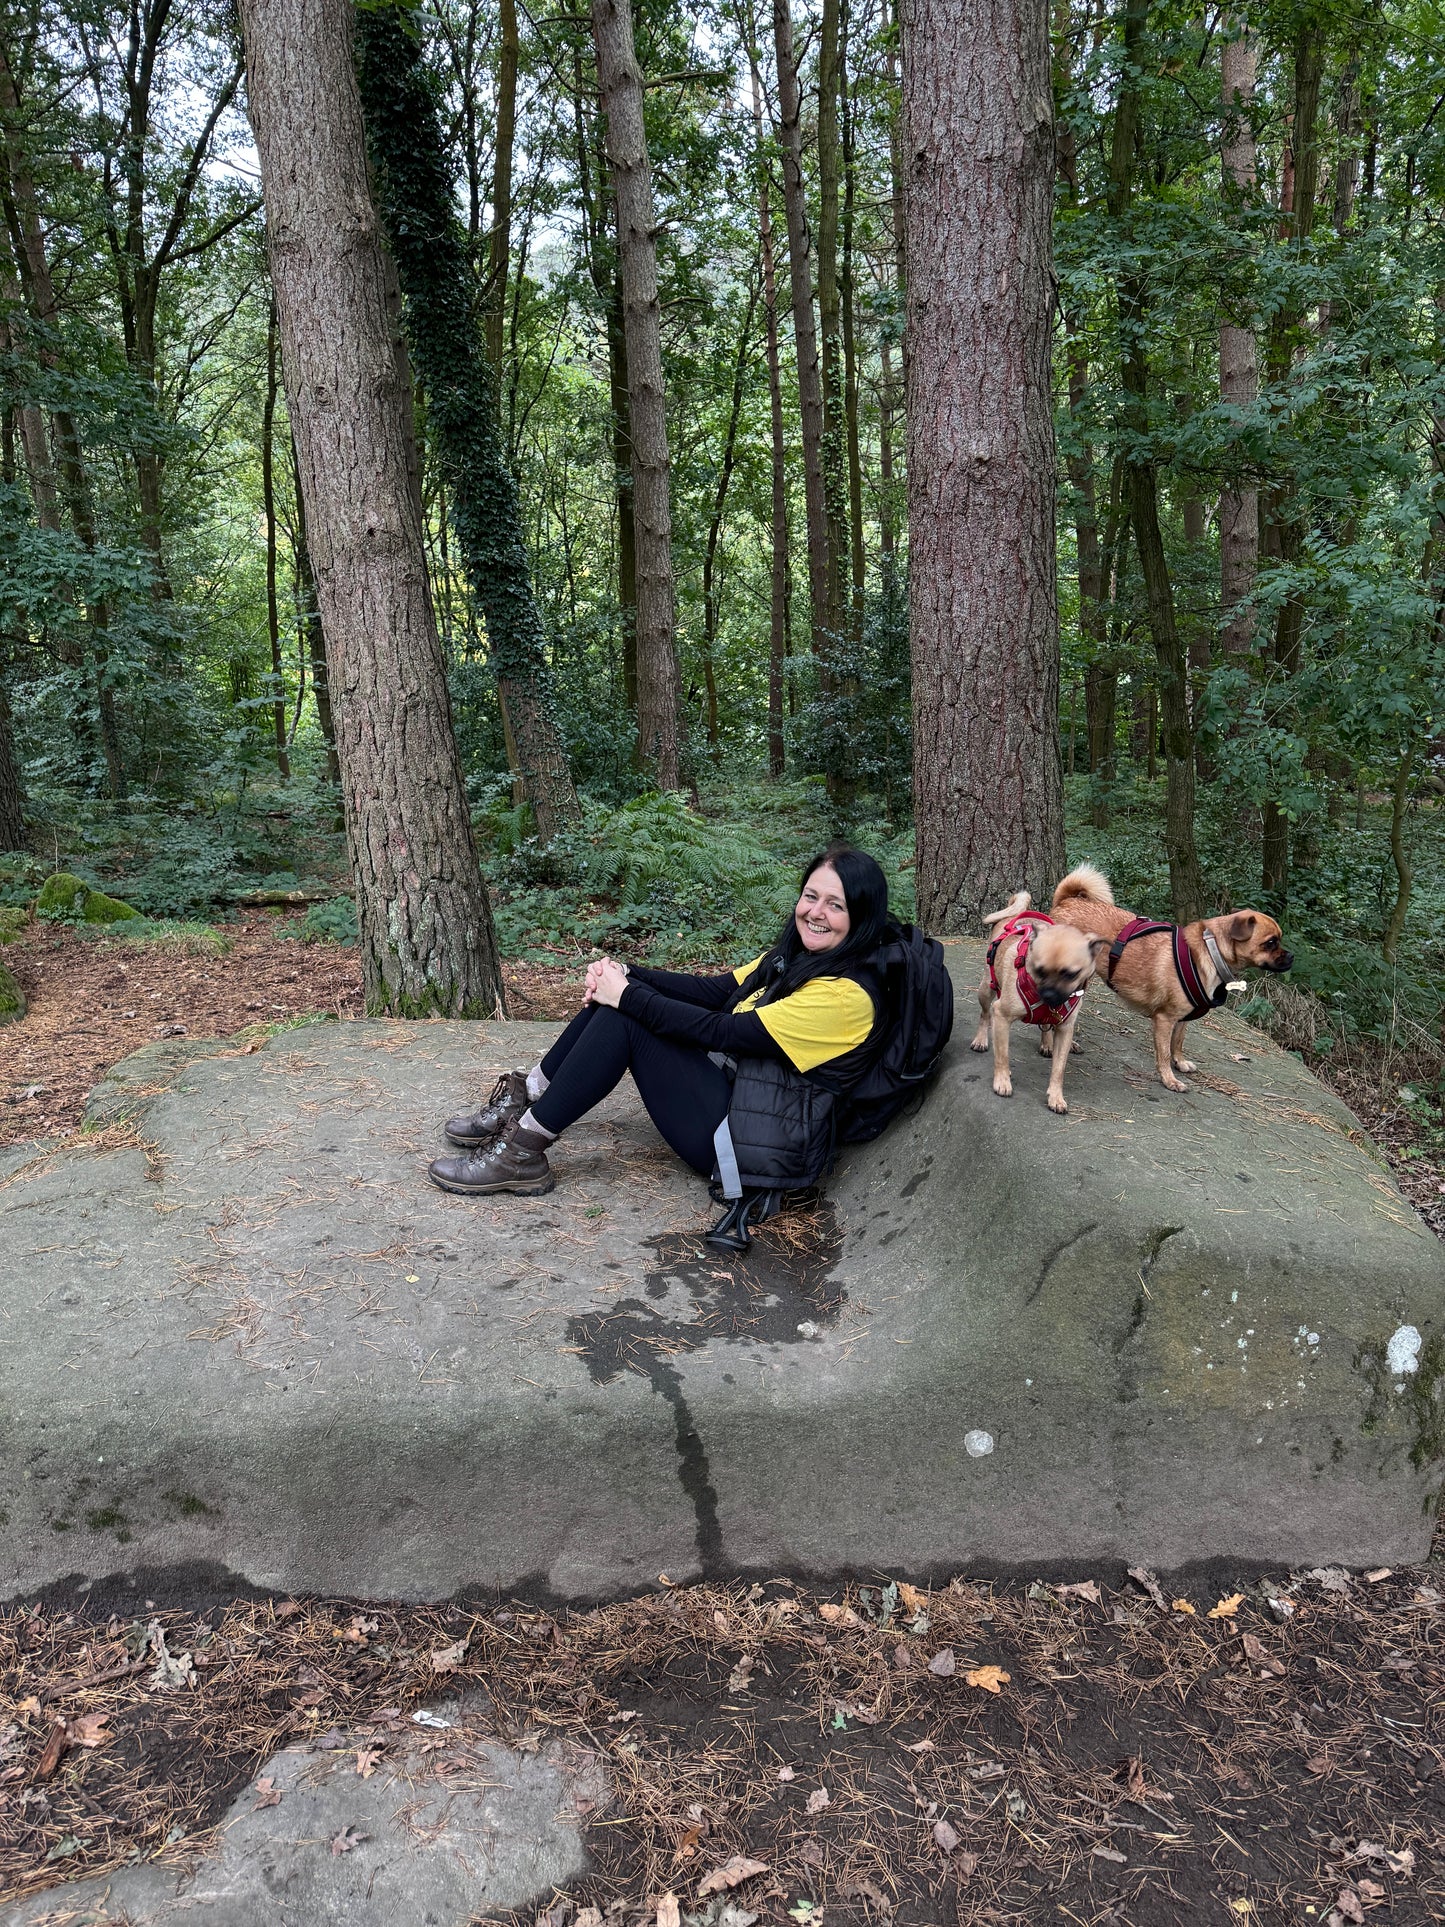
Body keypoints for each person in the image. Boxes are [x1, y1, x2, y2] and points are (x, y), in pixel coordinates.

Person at [428, 843, 893, 1199]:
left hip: (752, 1144)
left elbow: (722, 1030)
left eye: (835, 905)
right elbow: (715, 992)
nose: (815, 912)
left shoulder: (845, 996)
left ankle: (521, 1153)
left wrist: (626, 996)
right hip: (742, 1098)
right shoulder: (797, 955)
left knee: (625, 1017)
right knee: (622, 1001)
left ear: (862, 917)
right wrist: (628, 974)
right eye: (811, 896)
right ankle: (526, 1098)